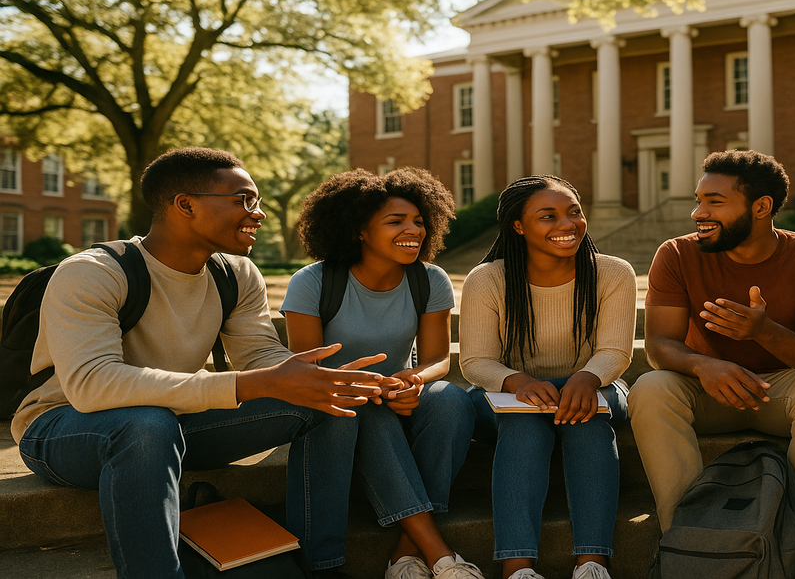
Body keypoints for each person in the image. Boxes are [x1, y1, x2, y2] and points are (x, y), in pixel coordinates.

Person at [12, 147, 389, 579]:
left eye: (259, 201)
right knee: (145, 424)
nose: (258, 214)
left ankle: (320, 566)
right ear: (185, 205)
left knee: (329, 401)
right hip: (66, 428)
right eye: (244, 200)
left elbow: (260, 356)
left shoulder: (237, 274)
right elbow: (93, 385)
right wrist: (245, 385)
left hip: (177, 423)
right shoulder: (94, 272)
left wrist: (313, 377)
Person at [628, 149, 795, 533]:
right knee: (651, 387)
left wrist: (764, 331)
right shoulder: (676, 254)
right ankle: (687, 540)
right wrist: (705, 365)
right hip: (708, 390)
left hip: (785, 387)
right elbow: (659, 345)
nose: (698, 213)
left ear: (761, 207)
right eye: (698, 200)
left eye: (714, 202)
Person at [281, 168, 482, 579]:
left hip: (400, 399)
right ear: (359, 230)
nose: (414, 230)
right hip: (336, 410)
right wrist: (364, 387)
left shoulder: (429, 280)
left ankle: (405, 552)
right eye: (396, 222)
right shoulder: (313, 282)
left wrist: (414, 381)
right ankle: (439, 555)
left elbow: (438, 360)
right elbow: (305, 369)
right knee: (365, 407)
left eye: (419, 222)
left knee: (452, 399)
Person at [459, 175, 636, 579]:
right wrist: (517, 382)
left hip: (597, 386)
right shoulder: (488, 279)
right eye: (548, 216)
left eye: (574, 211)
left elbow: (615, 351)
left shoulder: (612, 273)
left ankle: (592, 564)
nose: (567, 224)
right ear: (518, 227)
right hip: (507, 394)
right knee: (524, 421)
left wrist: (587, 378)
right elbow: (476, 361)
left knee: (587, 415)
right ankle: (518, 568)